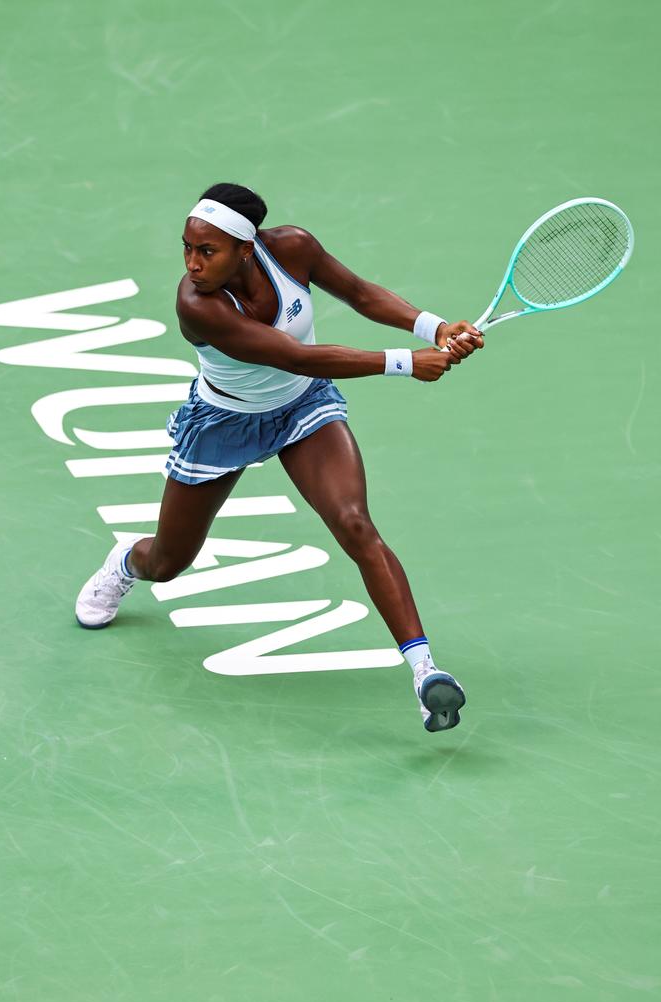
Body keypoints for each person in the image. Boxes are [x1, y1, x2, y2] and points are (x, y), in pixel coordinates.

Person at [75, 182, 484, 731]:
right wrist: (407, 363)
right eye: (187, 248)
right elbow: (296, 356)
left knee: (355, 524)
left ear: (246, 249)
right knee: (168, 564)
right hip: (225, 422)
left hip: (303, 410)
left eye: (207, 251)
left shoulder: (293, 248)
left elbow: (360, 293)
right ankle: (128, 561)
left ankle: (425, 673)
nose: (192, 264)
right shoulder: (197, 304)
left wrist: (435, 327)